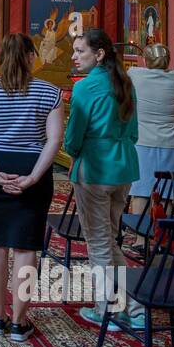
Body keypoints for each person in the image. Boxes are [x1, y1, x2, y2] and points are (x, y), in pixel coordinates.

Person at [0, 33, 64, 342]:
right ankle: (19, 322)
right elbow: (54, 140)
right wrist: (35, 176)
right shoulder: (49, 92)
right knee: (26, 246)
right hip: (31, 168)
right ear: (28, 57)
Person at [64, 28, 139, 330]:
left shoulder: (85, 88)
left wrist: (77, 151)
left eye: (80, 50)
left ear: (99, 54)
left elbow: (72, 139)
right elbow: (134, 132)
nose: (74, 56)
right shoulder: (125, 83)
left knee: (98, 243)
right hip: (123, 168)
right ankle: (132, 306)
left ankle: (106, 309)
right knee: (109, 239)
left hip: (94, 170)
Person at [126, 44, 174, 216]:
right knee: (167, 192)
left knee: (141, 191)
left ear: (146, 60)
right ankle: (163, 236)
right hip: (171, 143)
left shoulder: (135, 74)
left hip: (143, 141)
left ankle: (140, 237)